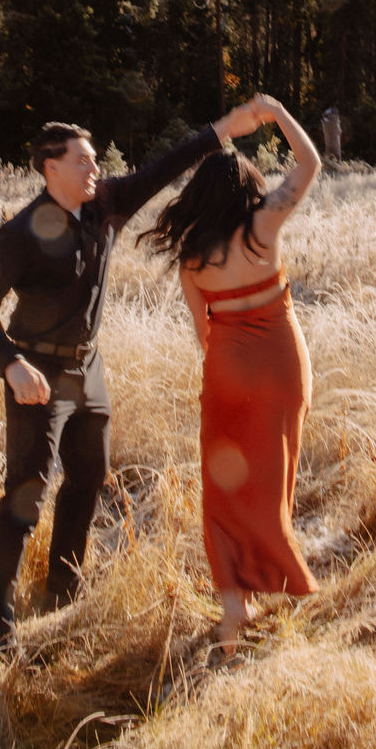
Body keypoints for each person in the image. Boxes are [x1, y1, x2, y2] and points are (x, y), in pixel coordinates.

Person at [0, 102, 263, 655]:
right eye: (82, 161)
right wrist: (10, 363)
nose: (94, 169)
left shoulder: (105, 206)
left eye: (95, 160)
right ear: (51, 168)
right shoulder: (20, 234)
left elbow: (162, 168)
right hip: (37, 372)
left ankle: (63, 593)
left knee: (88, 480)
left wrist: (221, 130)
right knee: (24, 497)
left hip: (88, 369)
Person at [141, 95, 321, 653]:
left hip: (225, 371)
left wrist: (226, 374)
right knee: (273, 476)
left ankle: (233, 607)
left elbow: (204, 332)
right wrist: (277, 112)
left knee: (225, 487)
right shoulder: (262, 228)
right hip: (279, 364)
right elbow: (310, 163)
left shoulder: (193, 256)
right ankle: (275, 574)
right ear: (247, 188)